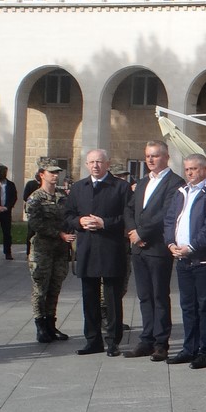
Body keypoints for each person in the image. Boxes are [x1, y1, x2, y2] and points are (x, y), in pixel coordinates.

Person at [63, 148, 130, 357]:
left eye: (99, 162)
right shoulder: (78, 188)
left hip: (112, 248)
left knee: (112, 298)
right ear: (86, 165)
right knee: (89, 297)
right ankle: (93, 340)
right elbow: (67, 215)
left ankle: (113, 341)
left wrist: (105, 223)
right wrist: (79, 222)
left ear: (108, 164)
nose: (95, 166)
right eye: (91, 162)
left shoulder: (121, 187)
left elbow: (128, 217)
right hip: (87, 248)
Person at [124, 140, 184, 362]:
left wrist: (142, 234)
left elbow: (167, 214)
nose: (150, 160)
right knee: (144, 296)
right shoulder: (142, 182)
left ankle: (161, 343)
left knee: (159, 296)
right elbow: (129, 208)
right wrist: (131, 231)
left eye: (155, 156)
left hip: (157, 247)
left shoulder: (174, 182)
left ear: (166, 157)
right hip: (138, 249)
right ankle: (146, 339)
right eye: (148, 156)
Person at [164, 153, 206, 368]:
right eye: (187, 169)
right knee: (187, 306)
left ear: (205, 169)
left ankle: (204, 350)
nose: (190, 173)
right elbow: (170, 219)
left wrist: (191, 247)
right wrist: (171, 243)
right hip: (181, 259)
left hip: (202, 260)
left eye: (194, 169)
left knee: (204, 306)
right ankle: (189, 348)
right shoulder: (181, 191)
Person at [26, 158, 74, 342]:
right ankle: (40, 325)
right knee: (40, 288)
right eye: (51, 172)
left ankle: (51, 324)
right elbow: (35, 223)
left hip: (60, 250)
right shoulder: (35, 198)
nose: (55, 176)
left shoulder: (63, 196)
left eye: (57, 172)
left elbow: (70, 216)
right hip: (42, 250)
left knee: (55, 287)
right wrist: (58, 234)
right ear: (41, 175)